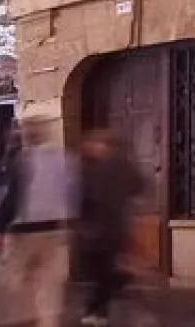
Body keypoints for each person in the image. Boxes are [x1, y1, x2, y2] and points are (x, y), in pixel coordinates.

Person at [0, 118, 78, 327]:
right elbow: (72, 192)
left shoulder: (24, 160)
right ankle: (47, 322)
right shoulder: (64, 158)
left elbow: (14, 196)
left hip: (25, 229)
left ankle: (22, 318)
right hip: (55, 227)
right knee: (49, 283)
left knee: (15, 279)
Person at [77, 129, 145, 327]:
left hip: (101, 228)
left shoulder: (100, 167)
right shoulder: (120, 165)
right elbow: (138, 186)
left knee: (100, 272)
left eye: (95, 144)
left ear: (103, 145)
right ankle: (99, 309)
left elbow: (87, 197)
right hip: (110, 227)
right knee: (101, 272)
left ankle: (97, 311)